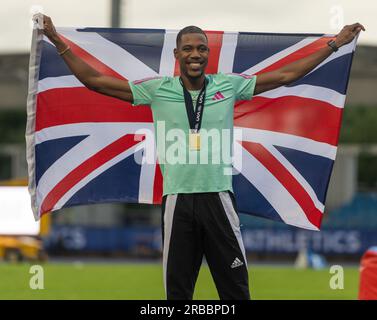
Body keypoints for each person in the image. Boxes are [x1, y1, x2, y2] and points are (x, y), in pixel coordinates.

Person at [41, 15, 364, 300]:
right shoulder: (157, 89)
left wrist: (334, 44)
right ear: (177, 54)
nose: (196, 54)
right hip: (177, 200)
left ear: (207, 54)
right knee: (178, 293)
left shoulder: (229, 85)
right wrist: (57, 40)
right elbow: (95, 81)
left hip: (218, 198)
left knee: (235, 290)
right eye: (189, 49)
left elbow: (284, 76)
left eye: (201, 49)